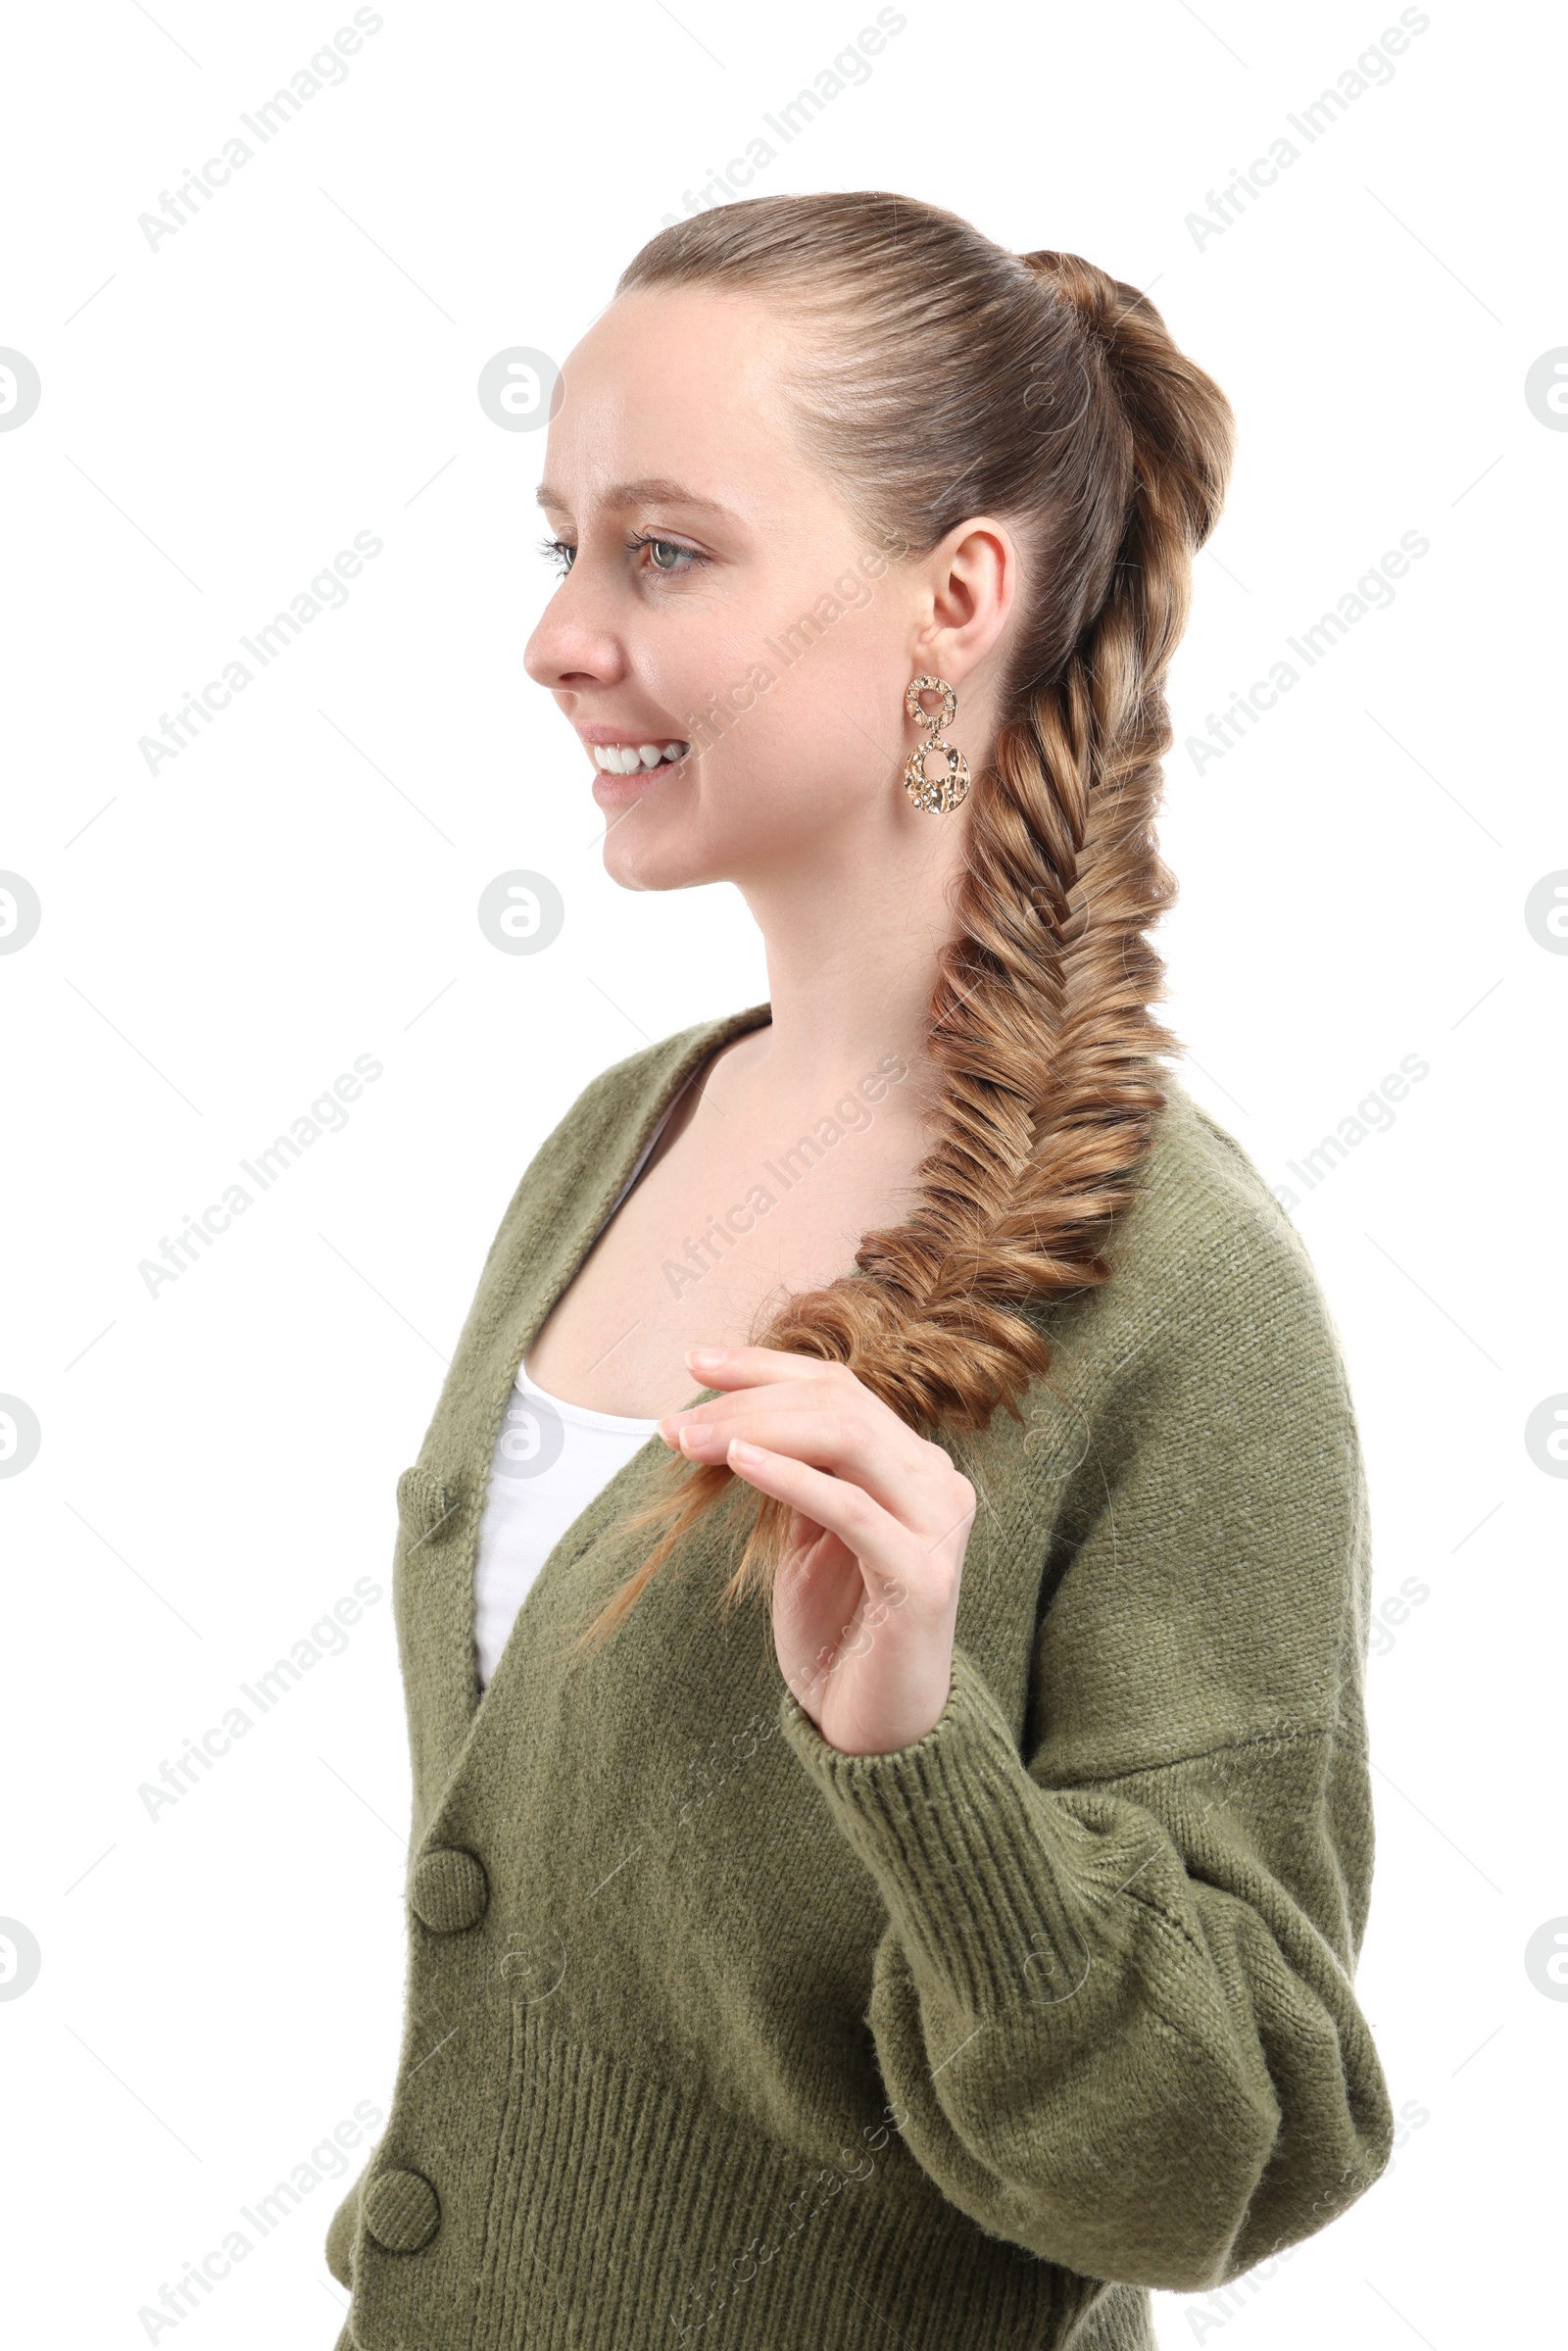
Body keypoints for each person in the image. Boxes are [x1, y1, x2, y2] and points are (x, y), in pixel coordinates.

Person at [325, 191, 1394, 2351]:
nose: (557, 638)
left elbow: (1227, 2150)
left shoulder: (1176, 1290)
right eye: (562, 548)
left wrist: (921, 1762)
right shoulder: (611, 1143)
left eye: (668, 551)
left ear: (956, 598)